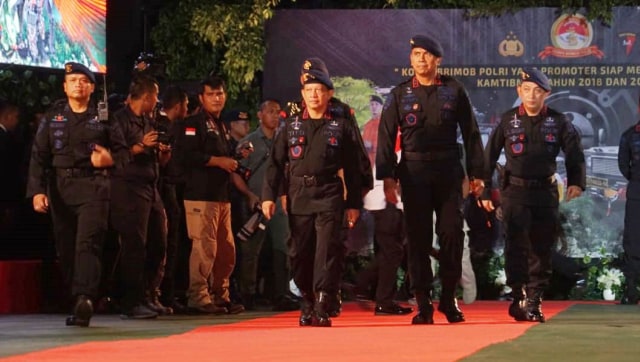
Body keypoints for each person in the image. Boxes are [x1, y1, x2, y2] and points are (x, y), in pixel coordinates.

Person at [376, 35, 485, 324]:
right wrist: (386, 177)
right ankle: (423, 302)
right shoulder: (399, 94)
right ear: (410, 59)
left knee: (451, 233)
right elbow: (385, 138)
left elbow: (472, 133)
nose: (421, 60)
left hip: (448, 171)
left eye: (426, 55)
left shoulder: (454, 90)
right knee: (418, 239)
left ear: (438, 60)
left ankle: (449, 298)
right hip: (413, 173)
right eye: (416, 54)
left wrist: (477, 174)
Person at [262, 58, 364, 327]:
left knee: (326, 252)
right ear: (302, 94)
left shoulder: (340, 122)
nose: (314, 95)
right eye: (309, 90)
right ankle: (306, 299)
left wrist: (354, 202)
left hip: (329, 193)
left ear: (329, 93)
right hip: (298, 195)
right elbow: (275, 162)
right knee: (298, 253)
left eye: (319, 89)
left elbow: (355, 166)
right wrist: (268, 196)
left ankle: (321, 303)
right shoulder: (291, 123)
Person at [27, 62, 129, 327]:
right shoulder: (53, 117)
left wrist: (110, 159)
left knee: (88, 242)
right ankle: (78, 297)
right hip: (60, 188)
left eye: (83, 81)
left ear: (92, 87)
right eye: (72, 81)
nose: (78, 85)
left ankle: (85, 298)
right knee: (67, 247)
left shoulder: (105, 117)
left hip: (94, 187)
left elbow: (124, 154)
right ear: (65, 86)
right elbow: (39, 156)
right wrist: (37, 191)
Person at [484, 68, 585, 322]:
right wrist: (485, 189)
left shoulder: (558, 121)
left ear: (546, 94)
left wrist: (576, 182)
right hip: (514, 193)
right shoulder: (507, 121)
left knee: (541, 248)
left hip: (545, 194)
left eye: (538, 91)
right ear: (519, 91)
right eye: (527, 90)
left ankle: (534, 301)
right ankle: (517, 295)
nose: (531, 95)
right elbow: (488, 157)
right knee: (515, 247)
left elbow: (574, 153)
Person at [173, 75, 245, 315]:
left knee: (226, 250)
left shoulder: (221, 124)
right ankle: (198, 297)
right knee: (204, 248)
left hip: (221, 196)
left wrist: (237, 155)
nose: (217, 98)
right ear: (201, 98)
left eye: (220, 94)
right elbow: (186, 156)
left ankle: (219, 295)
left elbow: (226, 157)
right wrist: (218, 161)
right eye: (212, 94)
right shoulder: (192, 124)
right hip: (200, 196)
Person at [110, 74, 172, 319]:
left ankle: (149, 293)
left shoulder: (149, 122)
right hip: (127, 187)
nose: (157, 102)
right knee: (134, 245)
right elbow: (117, 155)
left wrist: (162, 152)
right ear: (146, 96)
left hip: (151, 186)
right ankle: (131, 301)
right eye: (156, 96)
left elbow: (157, 159)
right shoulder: (119, 121)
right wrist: (142, 146)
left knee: (160, 240)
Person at [232, 99, 298, 311]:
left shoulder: (284, 140)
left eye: (277, 112)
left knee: (282, 249)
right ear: (260, 115)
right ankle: (247, 295)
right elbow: (236, 173)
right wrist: (249, 195)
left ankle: (280, 294)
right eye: (270, 111)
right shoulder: (249, 142)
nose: (275, 115)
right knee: (251, 251)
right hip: (256, 206)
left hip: (279, 204)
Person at [156, 85, 189, 313]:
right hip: (164, 189)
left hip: (167, 189)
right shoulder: (168, 128)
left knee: (168, 244)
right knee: (166, 245)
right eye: (186, 106)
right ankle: (164, 294)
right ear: (178, 106)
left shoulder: (164, 126)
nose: (186, 110)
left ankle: (165, 294)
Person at [617, 95, 640, 305]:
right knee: (633, 242)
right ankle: (631, 291)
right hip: (637, 192)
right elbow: (623, 166)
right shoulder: (629, 136)